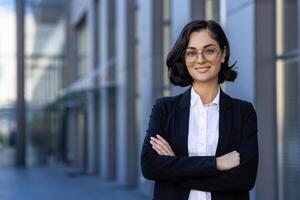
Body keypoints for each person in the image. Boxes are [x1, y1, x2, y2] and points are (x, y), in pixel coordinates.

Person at [140, 20, 258, 200]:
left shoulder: (243, 112)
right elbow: (149, 166)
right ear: (184, 58)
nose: (200, 59)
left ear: (223, 53)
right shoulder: (164, 109)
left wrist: (174, 168)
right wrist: (216, 163)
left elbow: (244, 179)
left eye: (209, 50)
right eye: (191, 53)